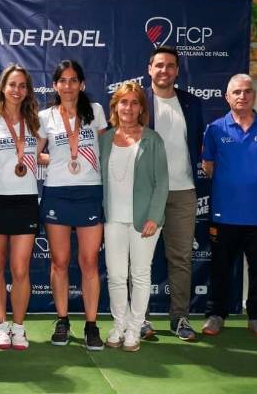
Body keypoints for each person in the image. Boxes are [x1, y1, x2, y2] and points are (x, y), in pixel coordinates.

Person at [37, 59, 106, 351]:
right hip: (57, 193)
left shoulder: (97, 112)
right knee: (60, 262)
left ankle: (91, 325)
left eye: (73, 80)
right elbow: (35, 152)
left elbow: (105, 149)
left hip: (89, 191)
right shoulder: (45, 116)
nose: (68, 86)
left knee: (89, 262)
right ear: (55, 85)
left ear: (82, 84)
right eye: (62, 81)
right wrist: (53, 160)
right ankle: (62, 319)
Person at [0, 64, 44, 350]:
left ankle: (19, 327)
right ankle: (2, 326)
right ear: (2, 88)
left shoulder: (35, 121)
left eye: (22, 86)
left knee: (20, 268)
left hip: (25, 199)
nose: (17, 90)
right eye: (12, 85)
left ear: (27, 90)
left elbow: (39, 154)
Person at [100, 82, 168, 352]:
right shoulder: (105, 139)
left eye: (134, 102)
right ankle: (119, 325)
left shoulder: (153, 139)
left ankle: (135, 328)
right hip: (112, 218)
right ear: (116, 106)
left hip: (145, 221)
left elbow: (162, 182)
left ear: (141, 108)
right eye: (123, 102)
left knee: (139, 274)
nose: (128, 107)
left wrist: (155, 215)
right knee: (116, 275)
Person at [143, 45, 203, 341]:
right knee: (141, 259)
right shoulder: (136, 102)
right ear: (149, 69)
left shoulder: (191, 103)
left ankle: (180, 318)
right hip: (146, 194)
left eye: (170, 66)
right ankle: (140, 318)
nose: (164, 70)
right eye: (159, 65)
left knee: (180, 258)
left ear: (177, 70)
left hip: (183, 192)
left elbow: (196, 145)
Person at [201, 74, 257, 338]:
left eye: (247, 91)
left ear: (254, 96)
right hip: (224, 213)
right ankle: (216, 315)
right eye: (236, 92)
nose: (242, 96)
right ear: (227, 97)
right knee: (220, 268)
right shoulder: (215, 129)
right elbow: (208, 167)